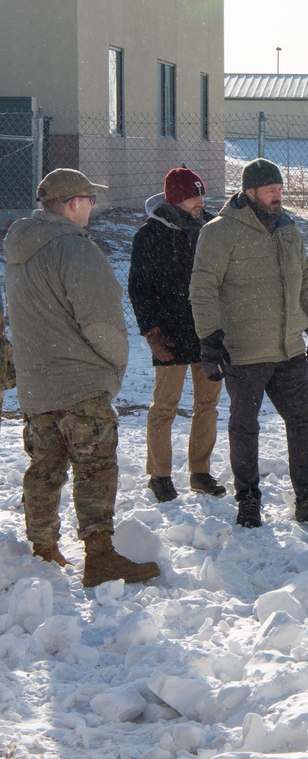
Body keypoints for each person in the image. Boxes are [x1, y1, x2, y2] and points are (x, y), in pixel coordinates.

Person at [3, 168, 161, 586]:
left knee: (44, 466)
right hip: (79, 383)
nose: (93, 206)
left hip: (37, 385)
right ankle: (100, 556)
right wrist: (115, 367)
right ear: (74, 203)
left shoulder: (20, 251)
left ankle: (42, 551)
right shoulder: (75, 251)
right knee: (94, 468)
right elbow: (102, 324)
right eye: (90, 199)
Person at [189, 158, 308, 528]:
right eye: (271, 191)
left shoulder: (288, 228)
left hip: (287, 347)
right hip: (244, 350)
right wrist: (209, 341)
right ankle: (248, 500)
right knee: (245, 427)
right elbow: (202, 290)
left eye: (280, 190)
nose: (279, 197)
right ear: (250, 193)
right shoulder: (220, 232)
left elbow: (304, 279)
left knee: (302, 421)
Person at [128, 168, 226, 503]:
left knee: (208, 405)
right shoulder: (150, 234)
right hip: (169, 334)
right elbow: (139, 288)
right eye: (193, 195)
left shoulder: (211, 229)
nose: (201, 201)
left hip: (208, 332)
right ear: (175, 197)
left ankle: (200, 472)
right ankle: (160, 475)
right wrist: (151, 331)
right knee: (165, 406)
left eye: (202, 194)